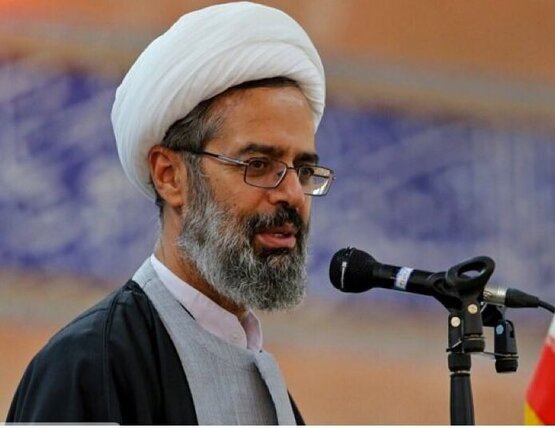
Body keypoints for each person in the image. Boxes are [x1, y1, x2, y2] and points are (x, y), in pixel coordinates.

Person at [6, 2, 332, 424]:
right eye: (258, 165)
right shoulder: (90, 367)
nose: (292, 194)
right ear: (170, 176)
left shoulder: (267, 385)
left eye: (302, 169)